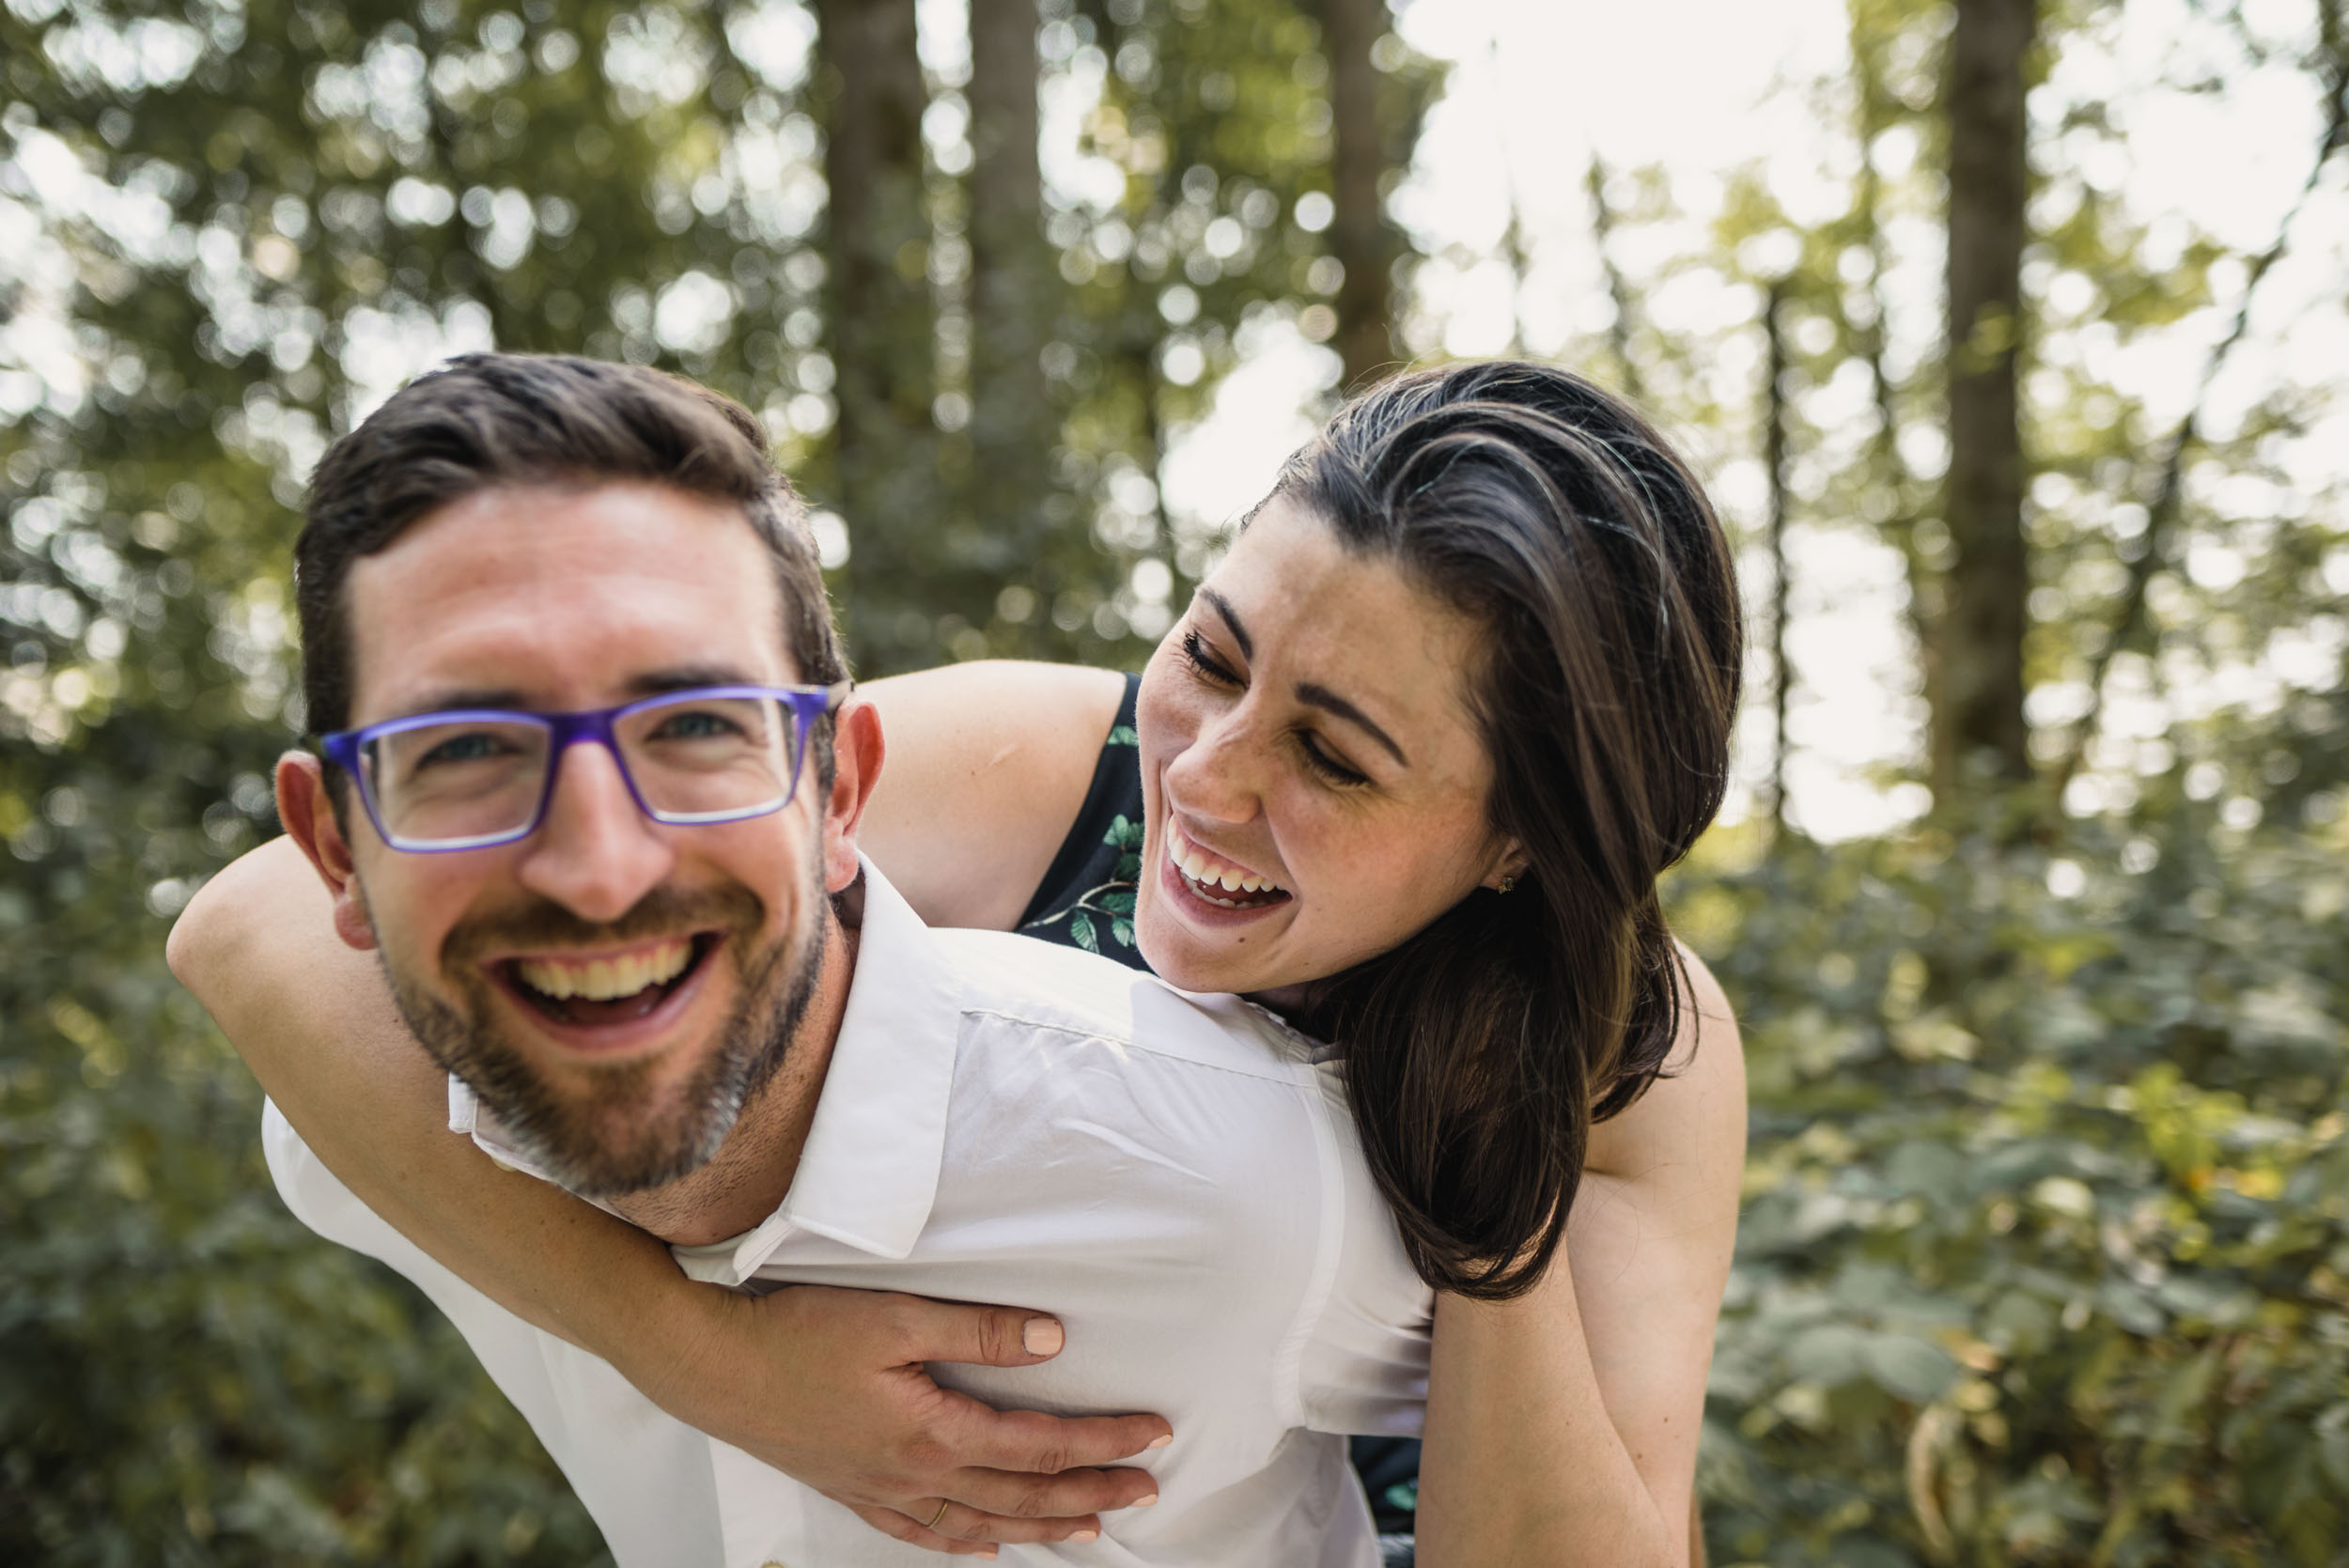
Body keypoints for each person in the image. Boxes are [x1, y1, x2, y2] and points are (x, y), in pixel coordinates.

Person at [174, 355, 1748, 1566]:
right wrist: (710, 1360)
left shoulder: (1638, 1046)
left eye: (1333, 759)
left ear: (1518, 841)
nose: (1202, 774)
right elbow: (256, 928)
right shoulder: (1053, 764)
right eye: (1211, 654)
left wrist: (1501, 1158)